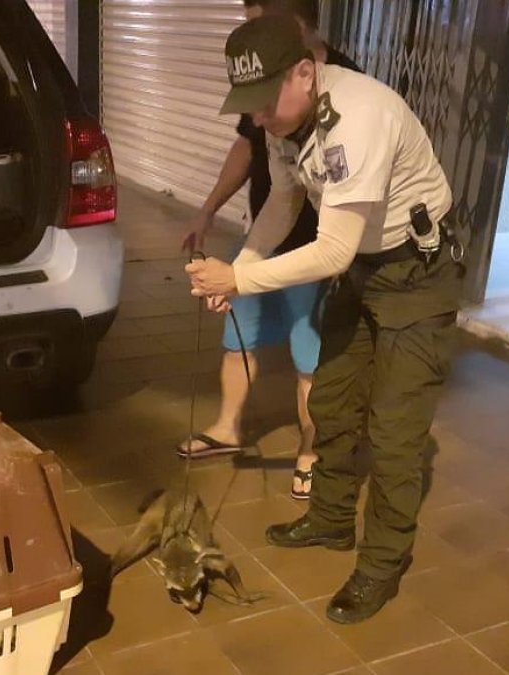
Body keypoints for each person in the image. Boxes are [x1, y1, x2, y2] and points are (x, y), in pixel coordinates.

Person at [186, 15, 461, 623]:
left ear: (306, 72)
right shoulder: (286, 119)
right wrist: (242, 267)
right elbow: (284, 202)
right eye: (247, 105)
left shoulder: (358, 118)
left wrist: (238, 278)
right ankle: (332, 519)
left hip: (416, 273)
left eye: (263, 103)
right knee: (334, 399)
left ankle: (382, 565)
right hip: (360, 269)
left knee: (393, 435)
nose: (257, 118)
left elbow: (332, 249)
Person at [177, 0, 360, 501]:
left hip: (318, 247)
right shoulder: (264, 94)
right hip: (267, 234)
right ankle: (227, 427)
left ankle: (311, 449)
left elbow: (337, 243)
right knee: (240, 333)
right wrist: (231, 252)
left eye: (260, 25)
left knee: (310, 355)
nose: (250, 37)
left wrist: (238, 275)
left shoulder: (346, 95)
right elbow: (276, 187)